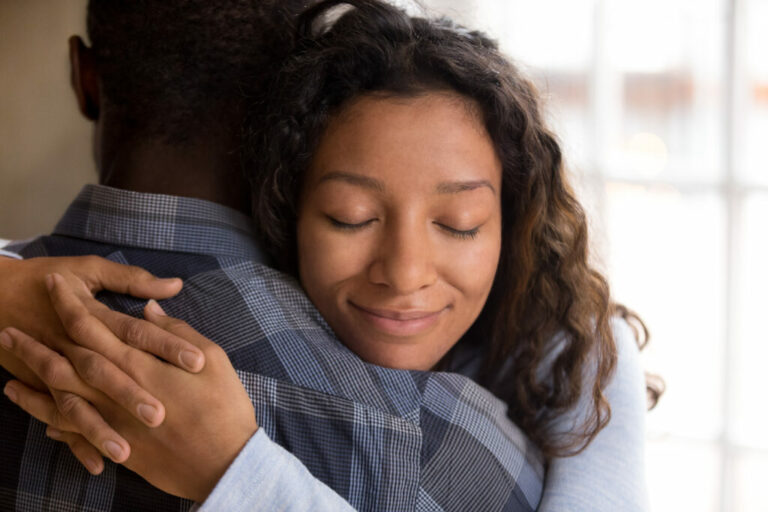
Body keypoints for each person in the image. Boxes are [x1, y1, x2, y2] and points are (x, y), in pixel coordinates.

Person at [1, 0, 655, 510]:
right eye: (351, 217)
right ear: (288, 150)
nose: (404, 272)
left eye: (458, 223)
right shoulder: (451, 452)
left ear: (83, 79)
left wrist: (239, 470)